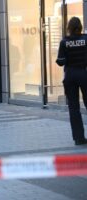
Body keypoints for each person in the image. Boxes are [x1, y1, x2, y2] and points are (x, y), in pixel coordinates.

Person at [56, 17, 87, 145]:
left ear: (69, 27)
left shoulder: (64, 42)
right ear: (80, 27)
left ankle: (79, 138)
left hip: (70, 75)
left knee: (74, 108)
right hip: (83, 73)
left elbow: (60, 61)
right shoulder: (85, 40)